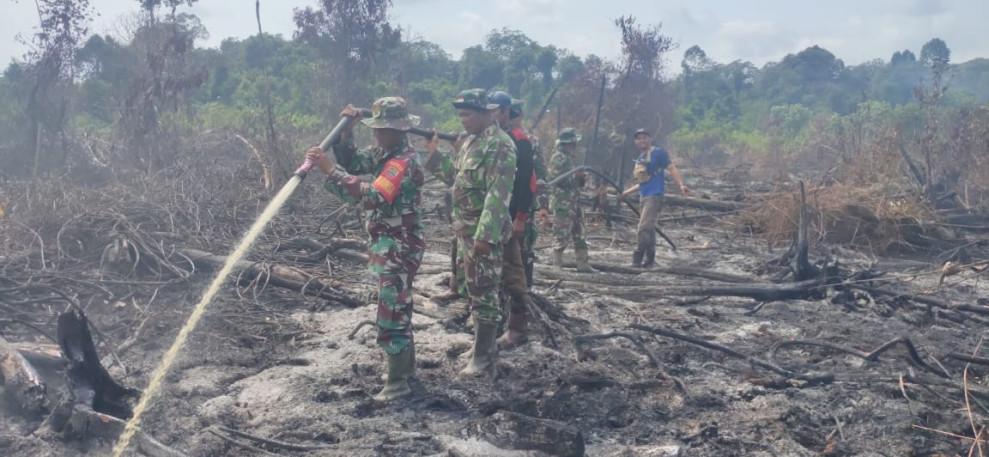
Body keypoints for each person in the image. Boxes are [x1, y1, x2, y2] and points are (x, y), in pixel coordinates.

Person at [305, 97, 425, 401]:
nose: (377, 134)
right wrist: (346, 135)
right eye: (375, 128)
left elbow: (372, 196)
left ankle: (397, 385)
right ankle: (406, 373)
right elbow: (356, 162)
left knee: (392, 312)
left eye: (383, 129)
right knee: (396, 306)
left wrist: (330, 171)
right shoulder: (386, 152)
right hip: (385, 245)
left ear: (400, 130)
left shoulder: (403, 162)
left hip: (398, 247)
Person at [424, 89, 516, 375]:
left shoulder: (500, 145)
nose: (462, 120)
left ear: (486, 113)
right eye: (460, 115)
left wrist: (485, 235)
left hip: (482, 233)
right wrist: (435, 154)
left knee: (485, 291)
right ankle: (480, 346)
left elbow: (498, 194)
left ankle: (484, 356)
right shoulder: (471, 142)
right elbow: (456, 178)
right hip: (465, 229)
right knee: (472, 289)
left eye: (467, 115)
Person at [489, 91, 533, 348]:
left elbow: (527, 180)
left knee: (513, 270)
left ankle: (517, 327)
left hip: (510, 214)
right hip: (490, 213)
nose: (492, 114)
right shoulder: (491, 137)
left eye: (495, 110)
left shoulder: (518, 139)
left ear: (506, 111)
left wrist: (521, 217)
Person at [620, 128, 690, 268]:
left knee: (643, 228)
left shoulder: (659, 153)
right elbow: (643, 182)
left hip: (655, 196)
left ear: (650, 139)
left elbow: (672, 168)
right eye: (639, 138)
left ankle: (637, 259)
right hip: (644, 196)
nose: (642, 140)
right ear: (635, 142)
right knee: (650, 229)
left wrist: (681, 184)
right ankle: (650, 260)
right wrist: (627, 192)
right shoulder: (640, 158)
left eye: (644, 137)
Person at [512, 98, 549, 290]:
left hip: (524, 202)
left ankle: (525, 288)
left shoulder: (529, 140)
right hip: (503, 201)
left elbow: (539, 175)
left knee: (524, 245)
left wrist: (543, 205)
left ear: (520, 115)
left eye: (515, 114)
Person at [547, 128, 593, 273]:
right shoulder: (558, 158)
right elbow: (555, 178)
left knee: (580, 231)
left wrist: (581, 178)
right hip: (563, 202)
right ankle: (557, 264)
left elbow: (575, 181)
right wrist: (575, 176)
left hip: (574, 201)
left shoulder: (570, 158)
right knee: (561, 232)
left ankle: (583, 263)